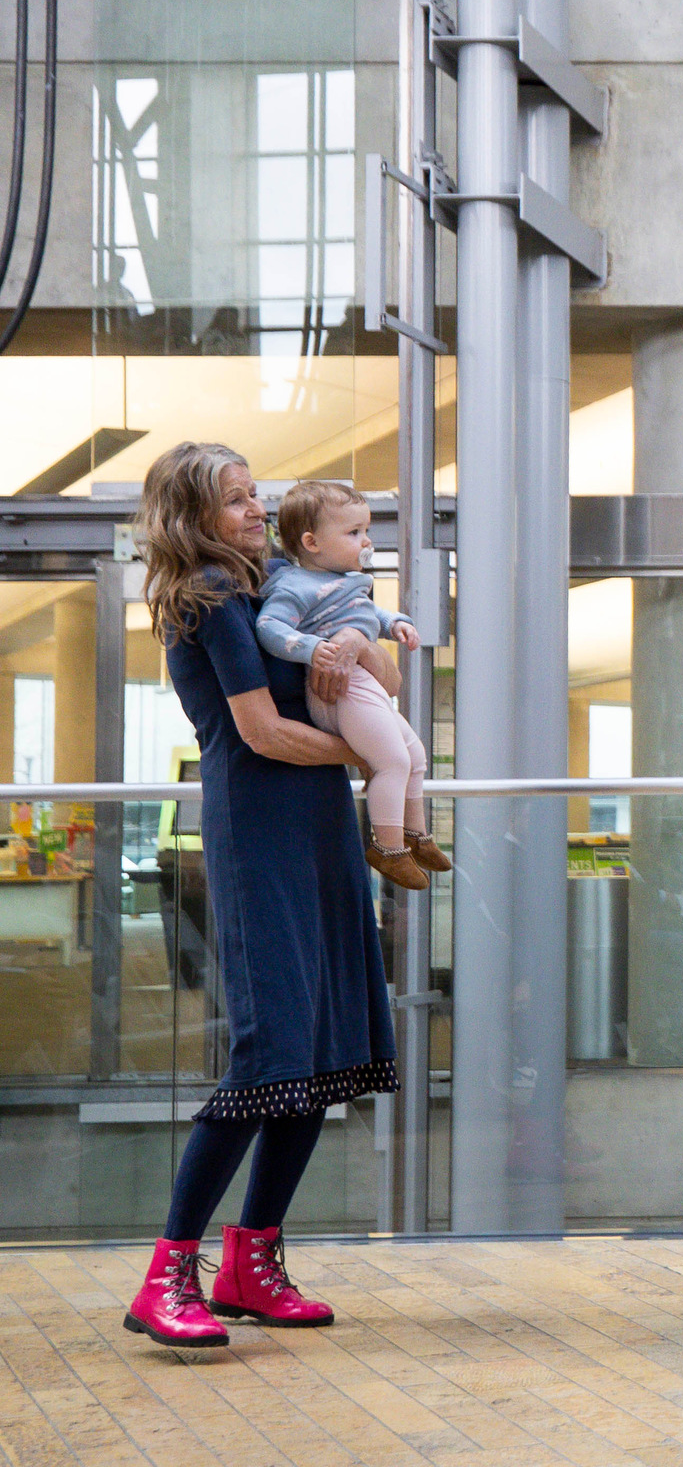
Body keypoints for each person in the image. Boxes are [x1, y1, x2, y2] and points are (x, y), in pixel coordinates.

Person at [125, 442, 398, 1352]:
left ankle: (252, 1263)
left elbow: (386, 673)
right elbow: (264, 732)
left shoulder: (281, 581)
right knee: (269, 1054)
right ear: (192, 516)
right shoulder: (206, 596)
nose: (255, 510)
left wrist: (360, 639)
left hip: (317, 829)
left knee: (321, 1050)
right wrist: (370, 757)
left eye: (256, 495)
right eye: (235, 500)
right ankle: (168, 1274)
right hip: (260, 834)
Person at [255, 480, 442, 892]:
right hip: (343, 690)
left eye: (366, 530)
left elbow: (370, 614)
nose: (366, 542)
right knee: (391, 761)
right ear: (312, 542)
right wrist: (311, 648)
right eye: (354, 532)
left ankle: (415, 834)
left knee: (415, 755)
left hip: (365, 684)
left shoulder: (348, 583)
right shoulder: (295, 585)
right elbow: (269, 627)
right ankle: (388, 848)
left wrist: (396, 624)